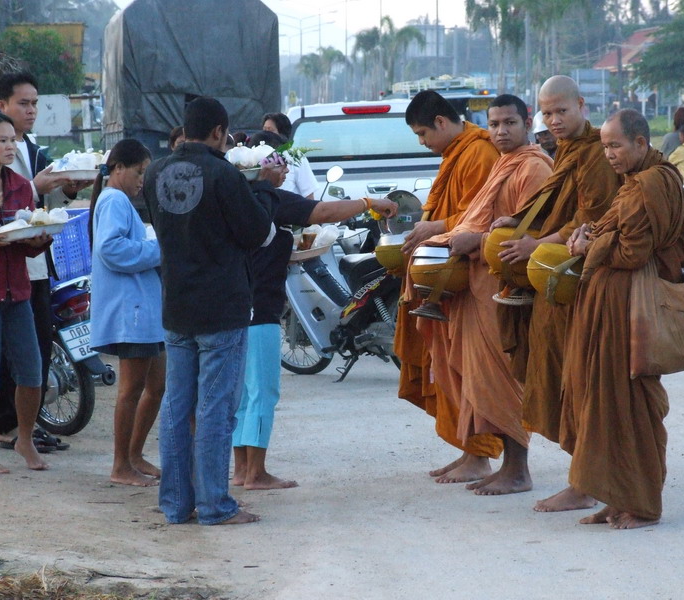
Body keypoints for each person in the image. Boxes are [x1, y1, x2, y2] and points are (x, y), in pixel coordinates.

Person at [231, 132, 399, 490]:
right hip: (259, 309)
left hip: (233, 308)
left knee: (244, 393)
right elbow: (324, 212)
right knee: (262, 390)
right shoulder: (266, 200)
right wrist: (370, 201)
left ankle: (242, 470)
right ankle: (255, 473)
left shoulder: (231, 201)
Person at [143, 97, 280, 525]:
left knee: (176, 408)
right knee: (216, 411)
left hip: (177, 306)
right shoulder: (224, 174)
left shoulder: (154, 172)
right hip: (221, 308)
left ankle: (176, 505)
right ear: (220, 132)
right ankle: (217, 506)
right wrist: (263, 187)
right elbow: (260, 234)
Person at [490, 76, 621, 511]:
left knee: (578, 384)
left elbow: (592, 219)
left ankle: (586, 485)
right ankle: (582, 480)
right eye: (547, 113)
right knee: (558, 382)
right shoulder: (565, 151)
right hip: (555, 286)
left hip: (582, 286)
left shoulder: (598, 154)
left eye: (561, 111)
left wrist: (535, 244)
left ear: (581, 105)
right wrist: (518, 221)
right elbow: (553, 203)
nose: (554, 120)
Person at [415, 95, 553, 495]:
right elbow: (482, 218)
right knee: (477, 374)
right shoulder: (504, 163)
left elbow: (537, 231)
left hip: (506, 289)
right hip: (479, 284)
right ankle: (490, 459)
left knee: (504, 378)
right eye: (493, 124)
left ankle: (518, 470)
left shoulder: (534, 167)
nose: (500, 132)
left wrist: (476, 239)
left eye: (509, 123)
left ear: (527, 123)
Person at [560, 109, 684, 529]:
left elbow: (632, 252)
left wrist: (586, 248)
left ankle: (642, 503)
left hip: (629, 309)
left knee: (629, 405)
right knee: (601, 403)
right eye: (605, 147)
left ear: (640, 143)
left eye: (616, 146)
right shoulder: (634, 183)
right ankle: (615, 497)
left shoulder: (651, 184)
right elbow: (611, 232)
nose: (610, 154)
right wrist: (590, 234)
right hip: (609, 305)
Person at [0, 72, 90, 454]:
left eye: (35, 102)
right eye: (24, 102)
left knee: (31, 359)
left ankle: (25, 433)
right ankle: (0, 434)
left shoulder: (29, 157)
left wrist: (62, 195)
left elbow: (34, 215)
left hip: (25, 275)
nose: (31, 110)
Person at [396, 89, 503, 483]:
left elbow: (485, 215)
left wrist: (435, 227)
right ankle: (466, 449)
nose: (423, 142)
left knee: (467, 367)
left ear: (442, 122)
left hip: (471, 277)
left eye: (423, 133)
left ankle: (480, 455)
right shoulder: (455, 153)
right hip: (446, 280)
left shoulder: (478, 153)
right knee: (446, 366)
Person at [0, 112, 52, 474]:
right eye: (1, 140)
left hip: (17, 291)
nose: (9, 146)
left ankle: (25, 439)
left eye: (12, 140)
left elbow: (27, 237)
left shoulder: (19, 186)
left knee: (32, 373)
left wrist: (39, 240)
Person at [89, 139, 164, 487]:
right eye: (138, 172)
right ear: (118, 168)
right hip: (129, 311)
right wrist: (158, 250)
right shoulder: (114, 199)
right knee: (131, 389)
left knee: (157, 385)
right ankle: (121, 464)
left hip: (144, 311)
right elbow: (111, 249)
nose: (141, 181)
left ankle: (134, 455)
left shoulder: (118, 201)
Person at [262, 112, 317, 199]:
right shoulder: (258, 156)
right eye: (264, 130)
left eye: (270, 130)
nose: (265, 134)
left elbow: (309, 195)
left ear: (282, 134)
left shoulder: (295, 156)